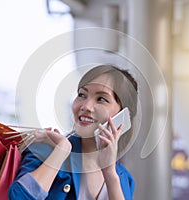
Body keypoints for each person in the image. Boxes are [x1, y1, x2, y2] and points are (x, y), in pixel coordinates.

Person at [9, 64, 138, 200]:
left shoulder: (125, 179)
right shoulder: (46, 151)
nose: (86, 106)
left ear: (124, 115)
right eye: (82, 95)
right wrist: (62, 150)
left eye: (101, 99)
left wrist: (110, 173)